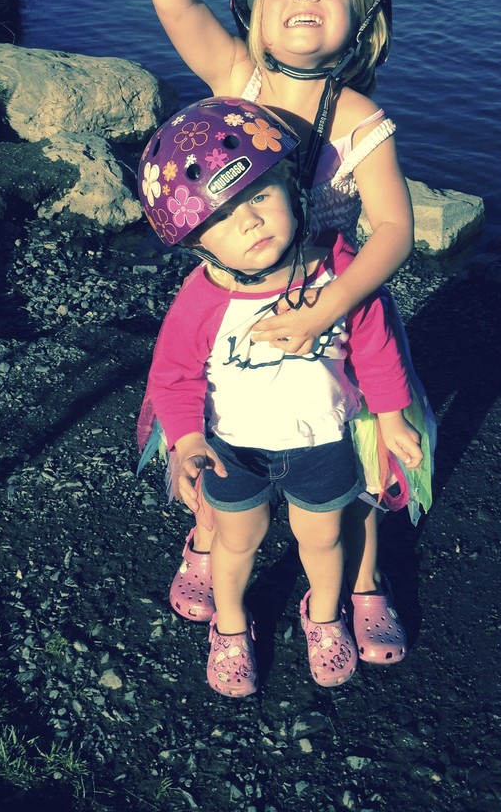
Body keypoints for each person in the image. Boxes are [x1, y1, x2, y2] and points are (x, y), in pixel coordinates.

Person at [149, 0, 436, 664]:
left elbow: (395, 231)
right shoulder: (238, 80)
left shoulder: (361, 120)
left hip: (335, 304)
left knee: (362, 446)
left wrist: (335, 306)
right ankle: (209, 537)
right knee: (212, 426)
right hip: (233, 292)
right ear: (253, 16)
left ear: (362, 23)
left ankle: (363, 580)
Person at [136, 98, 424, 696]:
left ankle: (323, 615)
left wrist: (393, 417)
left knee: (323, 538)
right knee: (238, 539)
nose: (250, 221)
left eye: (261, 197)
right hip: (233, 449)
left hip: (322, 440)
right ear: (195, 242)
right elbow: (174, 377)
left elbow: (374, 347)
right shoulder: (203, 301)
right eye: (223, 217)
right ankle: (232, 623)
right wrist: (187, 439)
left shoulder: (334, 277)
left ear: (294, 191)